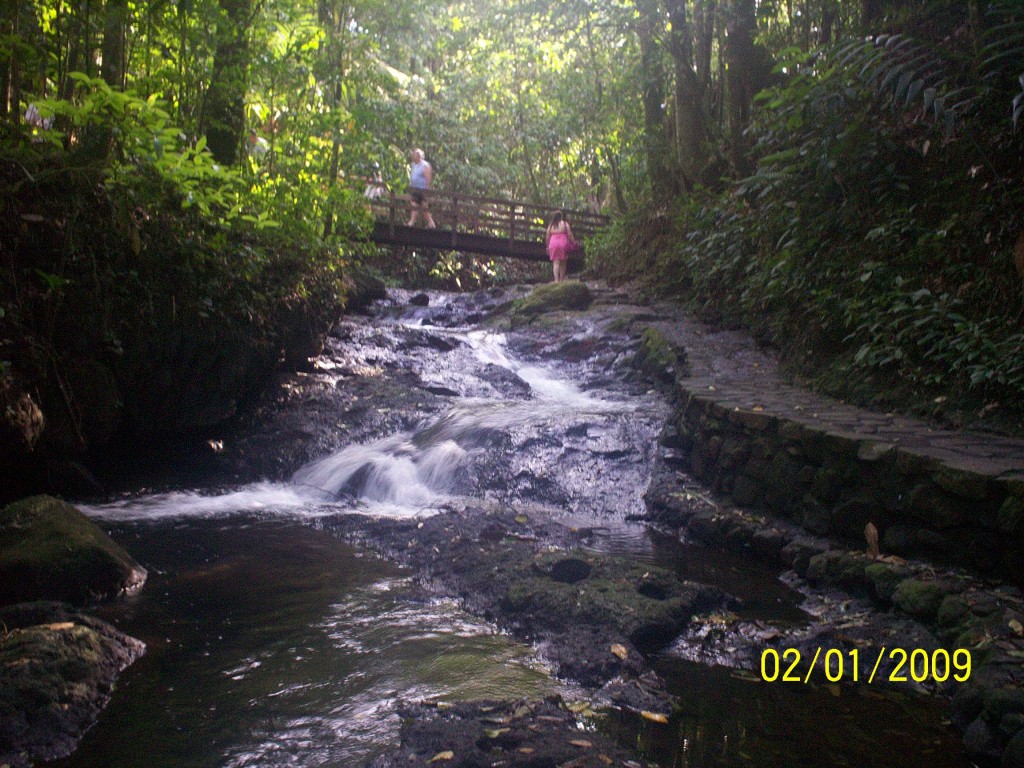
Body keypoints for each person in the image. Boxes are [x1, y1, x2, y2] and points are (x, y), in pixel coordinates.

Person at [406, 148, 435, 228]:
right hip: (415, 189)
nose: (413, 156)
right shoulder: (413, 165)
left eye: (415, 155)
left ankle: (411, 222)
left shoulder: (425, 165)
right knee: (422, 206)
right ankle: (431, 223)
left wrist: (426, 189)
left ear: (419, 156)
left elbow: (428, 178)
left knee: (414, 204)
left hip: (421, 189)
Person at [545, 210, 575, 283]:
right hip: (562, 244)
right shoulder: (564, 224)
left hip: (553, 244)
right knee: (563, 262)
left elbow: (547, 237)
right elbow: (570, 234)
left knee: (555, 263)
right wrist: (573, 242)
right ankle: (561, 280)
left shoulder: (551, 225)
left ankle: (556, 280)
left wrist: (547, 246)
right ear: (561, 217)